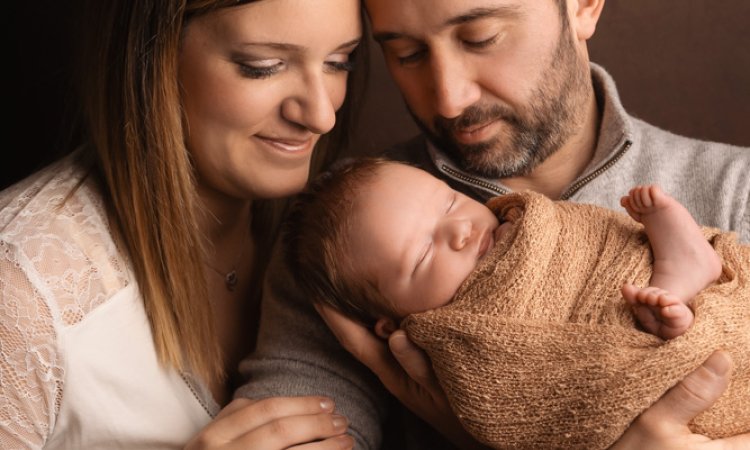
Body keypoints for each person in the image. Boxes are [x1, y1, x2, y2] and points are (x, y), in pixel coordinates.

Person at [237, 0, 750, 449]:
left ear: (582, 6)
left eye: (480, 38)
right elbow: (290, 426)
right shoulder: (346, 235)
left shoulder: (736, 191)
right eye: (408, 54)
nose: (449, 99)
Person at [0, 0, 367, 448]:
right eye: (263, 66)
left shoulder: (346, 224)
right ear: (149, 60)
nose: (321, 116)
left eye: (339, 62)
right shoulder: (24, 294)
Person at [280, 157, 750, 449]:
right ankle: (672, 305)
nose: (462, 230)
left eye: (448, 203)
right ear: (389, 324)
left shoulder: (736, 184)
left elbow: (587, 240)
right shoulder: (452, 342)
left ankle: (679, 273)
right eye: (423, 255)